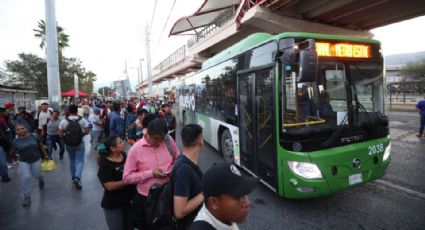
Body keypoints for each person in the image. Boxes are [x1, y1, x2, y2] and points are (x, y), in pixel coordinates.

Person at [123, 118, 179, 229]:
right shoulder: (136, 149)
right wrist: (151, 173)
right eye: (156, 139)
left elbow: (177, 157)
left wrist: (173, 169)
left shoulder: (168, 140)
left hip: (169, 194)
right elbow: (126, 178)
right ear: (147, 133)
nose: (159, 142)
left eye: (161, 139)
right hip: (147, 200)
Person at [189, 163, 258, 230]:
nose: (247, 203)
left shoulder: (222, 218)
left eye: (244, 194)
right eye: (237, 197)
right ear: (214, 203)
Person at [97, 135, 135, 230]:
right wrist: (128, 180)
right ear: (113, 148)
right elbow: (109, 186)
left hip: (128, 201)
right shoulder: (105, 165)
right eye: (120, 142)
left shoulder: (124, 156)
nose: (123, 143)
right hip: (113, 205)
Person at [173, 124, 204, 229]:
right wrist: (205, 193)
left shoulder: (185, 161)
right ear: (201, 140)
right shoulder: (184, 170)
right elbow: (179, 211)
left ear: (182, 142)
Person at [10, 124, 48, 207]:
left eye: (22, 128)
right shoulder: (15, 141)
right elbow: (13, 152)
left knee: (37, 174)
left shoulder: (34, 136)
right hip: (24, 161)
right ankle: (27, 196)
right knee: (26, 177)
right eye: (18, 129)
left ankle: (40, 179)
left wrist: (45, 155)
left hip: (36, 159)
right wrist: (15, 157)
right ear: (16, 132)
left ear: (26, 129)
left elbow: (41, 145)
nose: (20, 130)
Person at [59, 104, 89, 190]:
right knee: (80, 161)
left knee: (72, 160)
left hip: (68, 144)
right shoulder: (82, 120)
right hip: (80, 143)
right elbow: (87, 132)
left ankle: (73, 178)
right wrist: (80, 135)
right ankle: (77, 177)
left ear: (69, 111)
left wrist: (66, 138)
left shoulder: (63, 121)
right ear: (77, 111)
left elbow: (60, 135)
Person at [0, 106, 12, 182]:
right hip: (4, 142)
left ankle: (4, 175)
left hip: (2, 143)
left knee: (2, 161)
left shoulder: (4, 120)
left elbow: (6, 131)